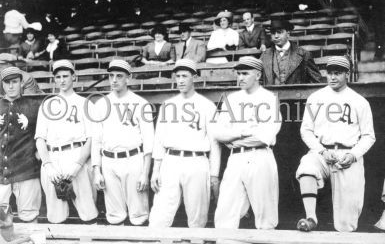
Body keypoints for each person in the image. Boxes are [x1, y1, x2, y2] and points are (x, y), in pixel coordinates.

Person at [296, 56, 375, 232]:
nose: (332, 77)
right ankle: (311, 217)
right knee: (306, 166)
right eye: (329, 73)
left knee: (346, 222)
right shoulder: (315, 98)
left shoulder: (360, 101)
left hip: (348, 155)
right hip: (323, 152)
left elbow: (369, 136)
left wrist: (353, 155)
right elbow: (306, 131)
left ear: (347, 74)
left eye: (337, 73)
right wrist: (321, 151)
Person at [149, 58, 220, 228]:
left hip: (197, 161)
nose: (180, 80)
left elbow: (215, 143)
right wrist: (155, 170)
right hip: (170, 160)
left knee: (197, 216)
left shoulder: (207, 106)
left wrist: (214, 174)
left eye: (185, 76)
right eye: (177, 76)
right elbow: (159, 140)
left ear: (194, 77)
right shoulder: (168, 105)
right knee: (160, 215)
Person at [213, 56, 281, 229]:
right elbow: (218, 132)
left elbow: (263, 137)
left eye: (245, 73)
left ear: (258, 75)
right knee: (225, 212)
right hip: (235, 158)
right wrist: (243, 132)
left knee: (265, 215)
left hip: (260, 157)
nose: (240, 77)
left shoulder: (269, 98)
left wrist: (233, 139)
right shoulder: (232, 99)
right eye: (238, 73)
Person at [35, 59, 98, 224]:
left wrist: (77, 166)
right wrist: (48, 165)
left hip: (78, 156)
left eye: (65, 76)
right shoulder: (47, 104)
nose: (61, 80)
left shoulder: (85, 103)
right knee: (56, 214)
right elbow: (40, 139)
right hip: (53, 159)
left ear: (73, 77)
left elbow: (91, 139)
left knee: (88, 211)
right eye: (58, 77)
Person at [92, 59, 154, 225]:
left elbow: (149, 142)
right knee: (114, 215)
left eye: (119, 76)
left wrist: (145, 173)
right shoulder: (100, 104)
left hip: (133, 159)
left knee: (139, 215)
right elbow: (96, 141)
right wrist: (97, 171)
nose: (114, 80)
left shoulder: (141, 103)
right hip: (109, 161)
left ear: (128, 78)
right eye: (111, 76)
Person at [0, 66, 42, 223]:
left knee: (30, 217)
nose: (11, 86)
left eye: (14, 82)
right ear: (2, 85)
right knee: (1, 220)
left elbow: (44, 134)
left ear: (21, 83)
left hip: (26, 171)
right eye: (7, 83)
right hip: (1, 171)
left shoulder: (34, 106)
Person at [260, 19, 322, 85]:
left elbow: (316, 81)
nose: (276, 36)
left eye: (279, 32)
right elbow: (258, 81)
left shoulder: (304, 54)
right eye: (273, 33)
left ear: (288, 34)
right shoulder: (264, 56)